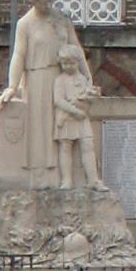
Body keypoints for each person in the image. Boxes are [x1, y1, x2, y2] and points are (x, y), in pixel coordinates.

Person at [0, 0, 92, 189]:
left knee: (61, 126)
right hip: (37, 78)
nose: (46, 5)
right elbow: (19, 55)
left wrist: (87, 78)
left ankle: (64, 177)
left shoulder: (62, 20)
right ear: (34, 2)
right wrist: (12, 86)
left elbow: (76, 49)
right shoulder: (25, 24)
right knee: (40, 127)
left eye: (48, 1)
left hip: (62, 77)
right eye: (42, 2)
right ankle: (40, 176)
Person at [54, 44, 108, 191]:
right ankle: (67, 180)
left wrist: (90, 97)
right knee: (65, 147)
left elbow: (86, 98)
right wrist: (74, 110)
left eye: (71, 63)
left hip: (81, 118)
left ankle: (93, 179)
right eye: (64, 63)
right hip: (66, 117)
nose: (67, 66)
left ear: (78, 62)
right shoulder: (60, 80)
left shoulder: (84, 79)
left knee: (87, 146)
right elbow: (58, 100)